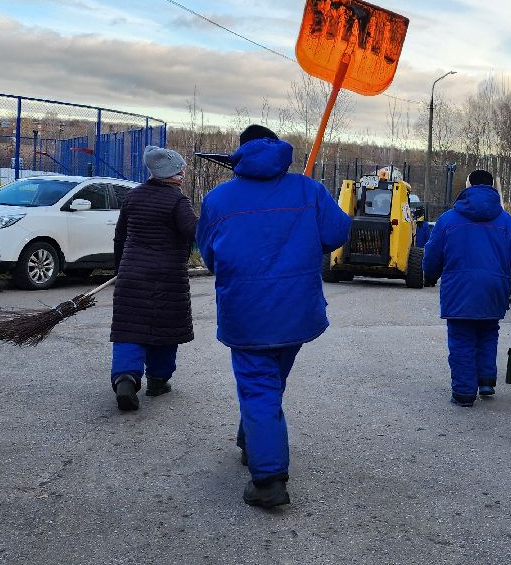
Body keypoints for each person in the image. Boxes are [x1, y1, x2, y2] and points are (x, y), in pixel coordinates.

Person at [195, 125, 351, 509]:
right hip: (297, 310)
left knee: (258, 386)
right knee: (268, 382)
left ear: (240, 153)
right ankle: (253, 439)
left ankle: (268, 480)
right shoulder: (308, 190)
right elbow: (337, 232)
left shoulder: (218, 199)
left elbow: (209, 255)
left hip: (246, 311)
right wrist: (306, 227)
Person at [422, 168, 511, 406]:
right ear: (492, 188)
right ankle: (486, 380)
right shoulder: (508, 222)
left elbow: (432, 256)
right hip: (494, 288)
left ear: (468, 187)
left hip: (459, 289)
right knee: (488, 333)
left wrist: (430, 274)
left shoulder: (448, 220)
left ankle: (464, 392)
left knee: (462, 339)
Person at [110, 146, 198, 412]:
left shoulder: (133, 196)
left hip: (131, 275)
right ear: (172, 173)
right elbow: (193, 232)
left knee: (129, 328)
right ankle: (158, 381)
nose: (183, 173)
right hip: (166, 278)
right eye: (181, 169)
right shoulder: (178, 201)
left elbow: (120, 237)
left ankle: (125, 378)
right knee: (164, 330)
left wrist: (119, 269)